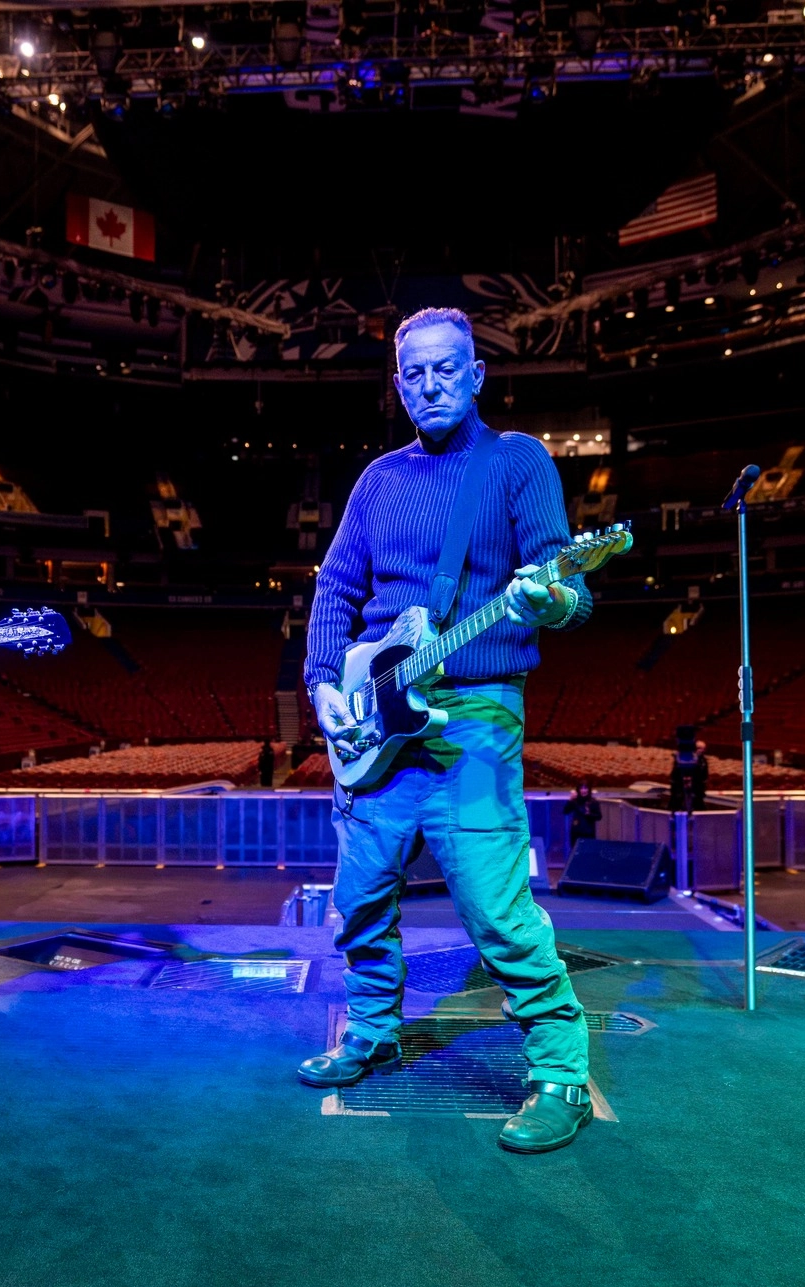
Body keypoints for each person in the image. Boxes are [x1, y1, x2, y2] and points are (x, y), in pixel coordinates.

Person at [298, 307, 596, 1155]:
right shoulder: (377, 481)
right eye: (414, 373)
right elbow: (335, 592)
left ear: (476, 376)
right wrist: (325, 682)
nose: (430, 384)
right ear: (398, 386)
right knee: (358, 899)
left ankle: (561, 1070)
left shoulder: (517, 463)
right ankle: (372, 1030)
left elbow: (571, 593)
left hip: (474, 718)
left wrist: (555, 595)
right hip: (375, 719)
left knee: (497, 914)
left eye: (446, 368)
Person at [564, 781, 600, 849]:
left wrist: (589, 814)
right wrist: (570, 800)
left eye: (585, 788)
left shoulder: (593, 802)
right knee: (575, 851)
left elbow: (599, 816)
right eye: (581, 788)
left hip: (588, 832)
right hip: (576, 832)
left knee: (588, 852)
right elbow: (565, 811)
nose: (583, 790)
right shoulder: (575, 801)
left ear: (589, 789)